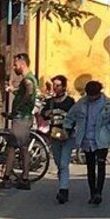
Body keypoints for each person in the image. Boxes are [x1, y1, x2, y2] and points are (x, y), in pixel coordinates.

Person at [64, 80, 110, 206]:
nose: (92, 98)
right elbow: (70, 116)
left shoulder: (107, 105)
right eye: (90, 95)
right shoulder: (82, 103)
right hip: (87, 139)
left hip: (102, 140)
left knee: (101, 165)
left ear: (99, 93)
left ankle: (98, 192)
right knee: (90, 167)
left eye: (94, 95)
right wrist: (66, 128)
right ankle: (92, 192)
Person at [3, 53, 37, 189]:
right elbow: (24, 92)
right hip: (23, 118)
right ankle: (20, 177)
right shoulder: (29, 79)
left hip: (21, 118)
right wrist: (13, 90)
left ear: (22, 63)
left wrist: (18, 107)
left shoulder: (27, 80)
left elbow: (28, 93)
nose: (14, 67)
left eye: (15, 64)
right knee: (19, 147)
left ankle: (17, 178)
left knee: (15, 148)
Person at [41, 75, 76, 204]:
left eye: (58, 85)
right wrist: (46, 114)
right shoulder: (50, 102)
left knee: (64, 163)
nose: (55, 88)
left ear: (64, 87)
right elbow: (43, 114)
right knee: (57, 161)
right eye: (54, 85)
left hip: (67, 135)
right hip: (54, 135)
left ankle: (63, 191)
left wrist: (70, 129)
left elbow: (76, 117)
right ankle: (62, 184)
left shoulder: (70, 102)